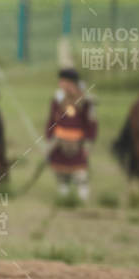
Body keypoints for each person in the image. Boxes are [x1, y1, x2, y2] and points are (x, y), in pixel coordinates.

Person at [45, 67, 97, 201]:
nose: (60, 84)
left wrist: (89, 143)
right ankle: (65, 198)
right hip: (59, 142)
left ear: (71, 83)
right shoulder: (57, 100)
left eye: (63, 81)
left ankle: (82, 199)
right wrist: (49, 136)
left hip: (77, 143)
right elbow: (51, 120)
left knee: (80, 174)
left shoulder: (85, 101)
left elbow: (91, 123)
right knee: (61, 174)